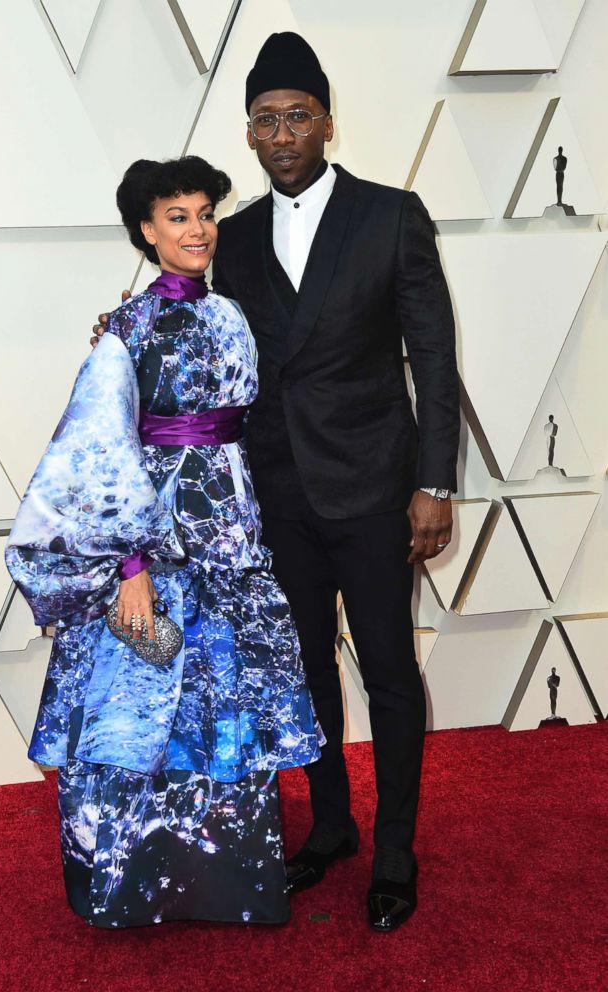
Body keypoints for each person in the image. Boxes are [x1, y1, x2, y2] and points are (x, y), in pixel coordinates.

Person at [93, 33, 459, 933]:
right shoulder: (234, 234)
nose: (284, 131)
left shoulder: (393, 215)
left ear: (327, 123)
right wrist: (119, 330)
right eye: (266, 119)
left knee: (388, 672)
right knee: (300, 673)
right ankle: (331, 825)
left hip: (374, 489)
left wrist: (436, 483)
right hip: (275, 499)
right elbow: (197, 327)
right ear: (250, 135)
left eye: (299, 115)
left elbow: (435, 358)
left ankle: (397, 851)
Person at [6, 155, 323, 928]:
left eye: (205, 213)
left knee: (222, 704)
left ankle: (226, 881)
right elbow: (100, 454)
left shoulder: (229, 315)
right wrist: (129, 567)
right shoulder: (125, 331)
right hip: (155, 551)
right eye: (177, 217)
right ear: (146, 232)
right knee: (134, 710)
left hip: (229, 543)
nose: (198, 230)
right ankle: (123, 882)